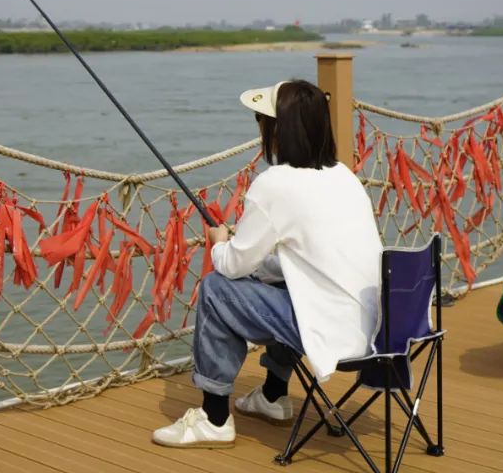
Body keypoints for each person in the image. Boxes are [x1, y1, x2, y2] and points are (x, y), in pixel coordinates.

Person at [152, 79, 382, 448]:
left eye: (261, 120)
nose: (260, 127)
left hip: (332, 332)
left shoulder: (274, 184)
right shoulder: (345, 176)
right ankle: (273, 396)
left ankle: (214, 418)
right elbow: (309, 261)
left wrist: (219, 243)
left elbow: (232, 266)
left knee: (215, 289)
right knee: (277, 279)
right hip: (378, 330)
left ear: (278, 129)